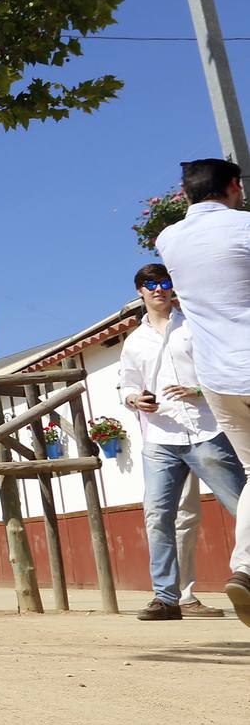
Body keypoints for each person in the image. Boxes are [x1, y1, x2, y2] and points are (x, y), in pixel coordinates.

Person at [156, 158, 250, 627]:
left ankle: (247, 569)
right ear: (234, 186)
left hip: (217, 379)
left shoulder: (167, 239)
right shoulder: (245, 228)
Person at [120, 263, 243, 619]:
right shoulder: (134, 342)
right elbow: (127, 383)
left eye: (164, 282)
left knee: (240, 505)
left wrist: (199, 390)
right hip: (160, 437)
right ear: (140, 291)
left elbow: (224, 367)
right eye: (150, 284)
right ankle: (166, 598)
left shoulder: (195, 327)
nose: (158, 288)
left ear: (172, 287)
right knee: (158, 515)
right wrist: (134, 400)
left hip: (207, 430)